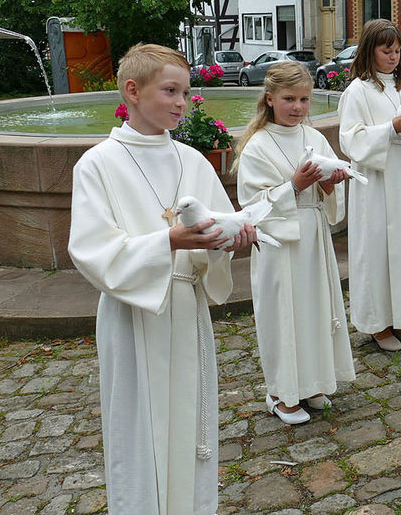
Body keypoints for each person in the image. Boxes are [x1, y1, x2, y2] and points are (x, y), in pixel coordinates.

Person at [68, 43, 257, 514]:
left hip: (185, 309)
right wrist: (167, 243)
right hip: (133, 317)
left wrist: (231, 240)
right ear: (132, 91)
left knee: (189, 422)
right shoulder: (97, 164)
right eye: (170, 90)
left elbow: (218, 226)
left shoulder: (193, 160)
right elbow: (91, 250)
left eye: (187, 92)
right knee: (137, 426)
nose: (182, 102)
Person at [235, 62, 355, 424]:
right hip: (280, 243)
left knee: (315, 309)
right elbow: (252, 206)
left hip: (313, 234)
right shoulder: (257, 146)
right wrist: (295, 186)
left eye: (304, 99)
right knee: (284, 314)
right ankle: (281, 393)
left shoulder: (313, 137)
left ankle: (312, 382)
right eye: (289, 99)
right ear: (269, 99)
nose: (298, 108)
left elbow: (326, 194)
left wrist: (332, 183)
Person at [338, 19, 401, 351]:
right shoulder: (358, 92)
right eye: (386, 51)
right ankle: (378, 324)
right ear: (370, 51)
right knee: (378, 249)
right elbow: (350, 140)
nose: (394, 57)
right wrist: (391, 129)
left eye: (397, 50)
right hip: (377, 182)